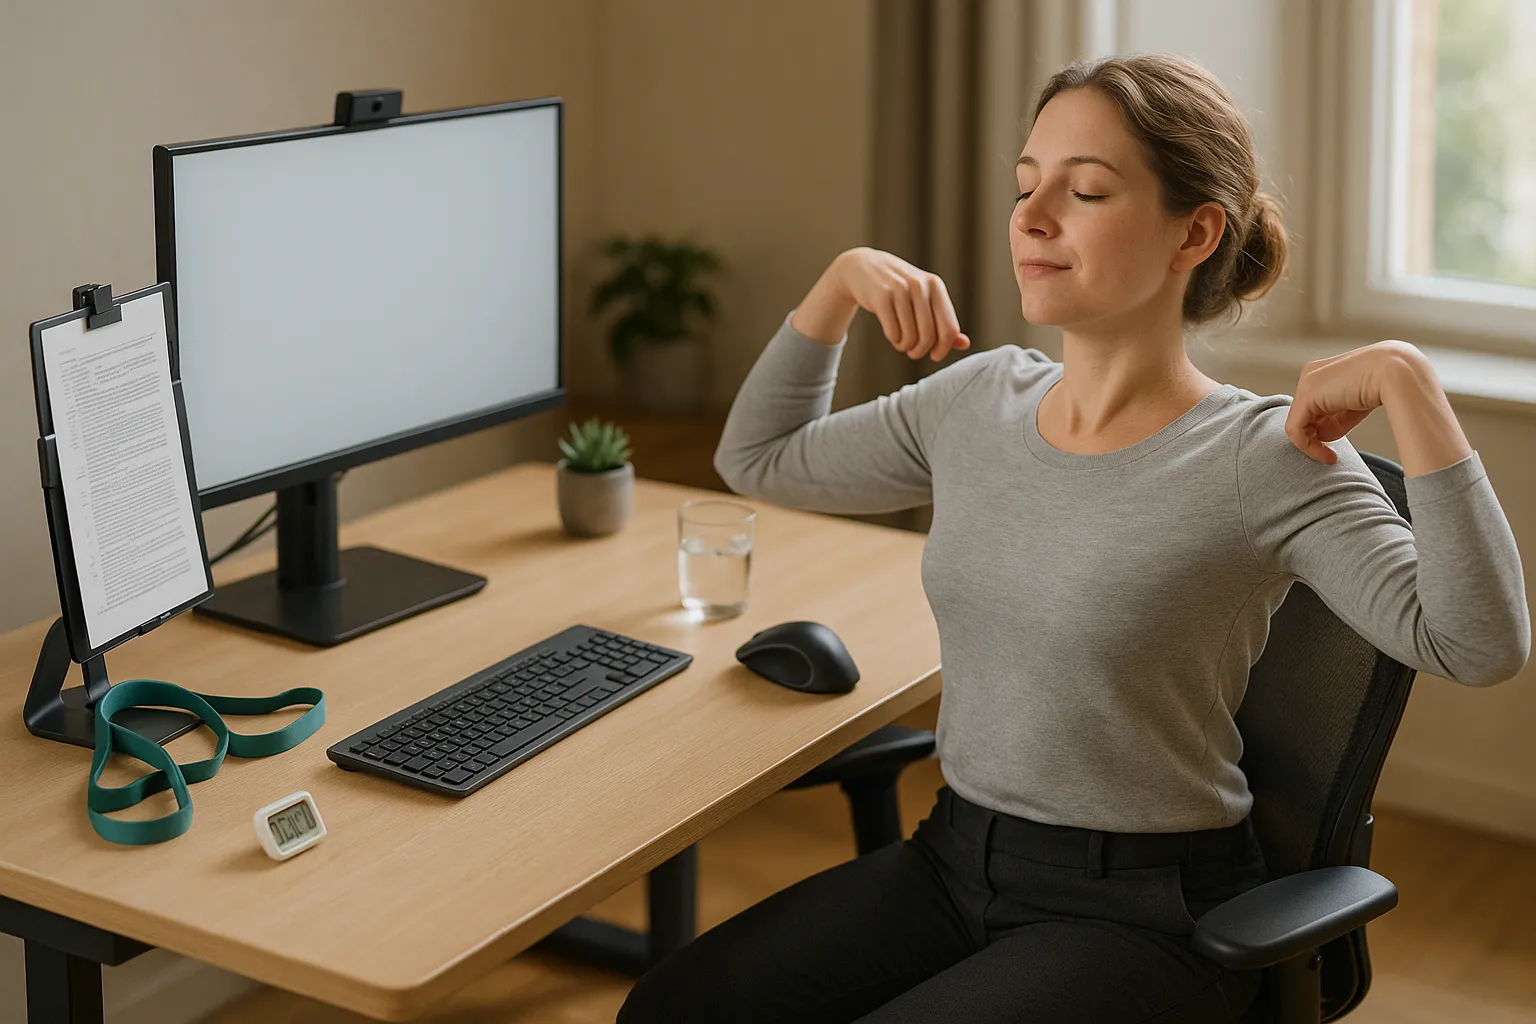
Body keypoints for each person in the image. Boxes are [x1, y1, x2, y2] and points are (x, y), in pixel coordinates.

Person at [617, 53, 1531, 1024]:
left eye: (1085, 189)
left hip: (1147, 910)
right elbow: (759, 459)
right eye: (1025, 184)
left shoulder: (1264, 456)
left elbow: (1476, 640)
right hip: (952, 857)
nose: (1033, 214)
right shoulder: (976, 401)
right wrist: (839, 287)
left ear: (1196, 232)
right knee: (671, 1009)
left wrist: (1410, 388)